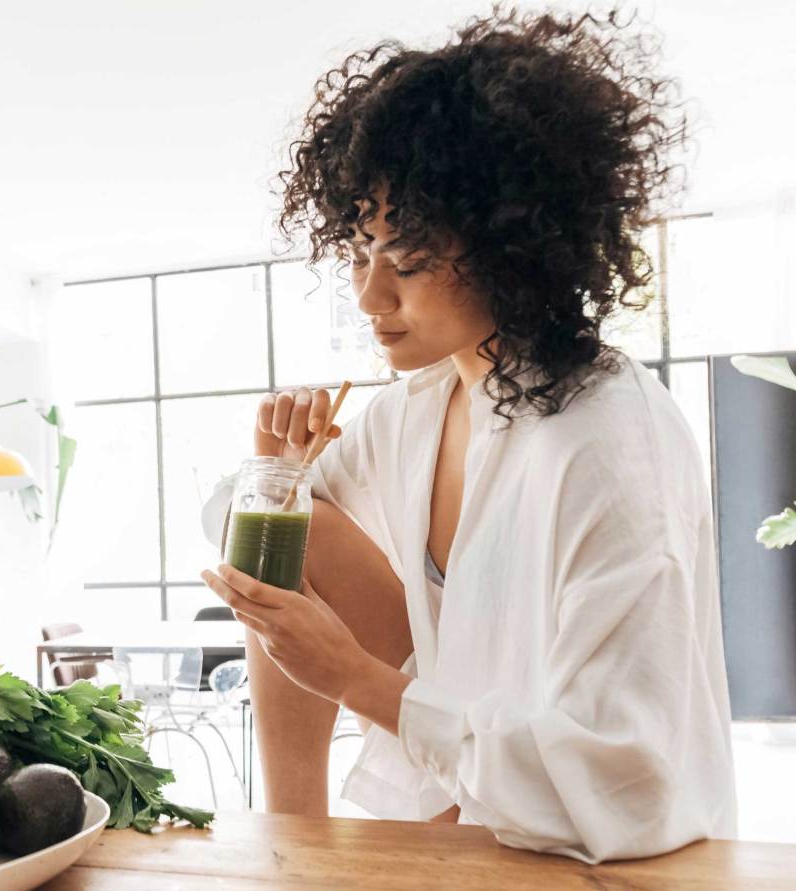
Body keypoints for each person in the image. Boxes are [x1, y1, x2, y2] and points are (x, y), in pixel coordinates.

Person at [200, 7, 736, 863]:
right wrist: (273, 471)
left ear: (513, 248)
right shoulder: (418, 407)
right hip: (460, 820)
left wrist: (358, 680)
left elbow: (629, 785)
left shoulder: (607, 440)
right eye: (360, 252)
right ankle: (290, 839)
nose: (372, 298)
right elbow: (244, 528)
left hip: (601, 858)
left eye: (407, 262)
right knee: (274, 522)